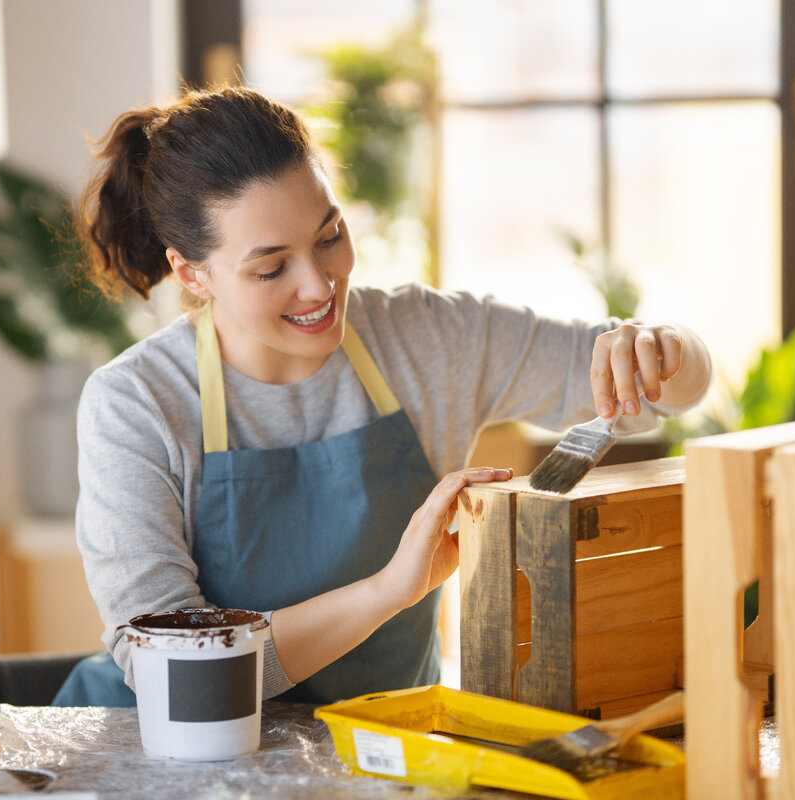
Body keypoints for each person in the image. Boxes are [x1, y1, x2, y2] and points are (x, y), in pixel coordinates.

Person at [52, 86, 711, 707]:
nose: (319, 285)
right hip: (167, 762)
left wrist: (660, 349)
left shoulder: (424, 339)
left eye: (330, 236)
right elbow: (176, 672)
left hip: (381, 758)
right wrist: (390, 591)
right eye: (272, 267)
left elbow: (665, 392)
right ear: (192, 273)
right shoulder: (136, 403)